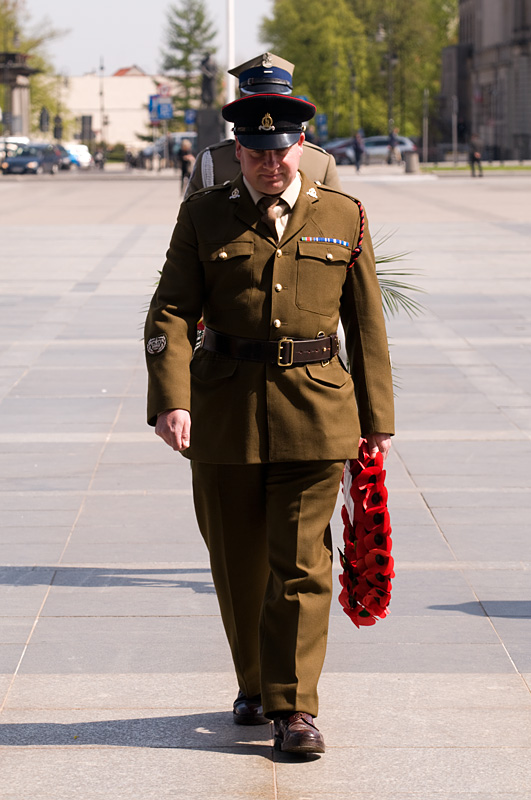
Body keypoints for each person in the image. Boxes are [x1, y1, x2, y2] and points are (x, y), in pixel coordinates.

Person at [144, 91, 394, 755]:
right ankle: (254, 685)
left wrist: (377, 419)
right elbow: (170, 311)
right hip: (223, 413)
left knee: (302, 564)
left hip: (316, 411)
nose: (268, 164)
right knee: (238, 565)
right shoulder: (203, 215)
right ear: (238, 152)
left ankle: (294, 710)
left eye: (279, 150)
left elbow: (365, 325)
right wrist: (173, 399)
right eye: (254, 152)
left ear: (303, 142)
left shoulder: (343, 215)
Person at [184, 52, 342, 198]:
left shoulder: (320, 163)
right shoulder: (212, 164)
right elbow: (194, 220)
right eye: (255, 100)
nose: (266, 107)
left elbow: (335, 219)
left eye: (276, 98)